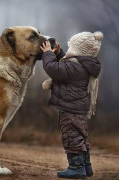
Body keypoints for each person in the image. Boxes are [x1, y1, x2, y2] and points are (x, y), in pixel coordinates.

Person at [40, 31, 103, 179]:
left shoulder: (73, 68)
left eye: (70, 47)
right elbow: (65, 64)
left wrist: (47, 54)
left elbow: (52, 68)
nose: (68, 50)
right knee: (80, 136)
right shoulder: (82, 65)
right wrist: (58, 53)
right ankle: (85, 166)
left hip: (70, 109)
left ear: (77, 51)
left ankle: (76, 168)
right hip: (78, 108)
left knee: (71, 137)